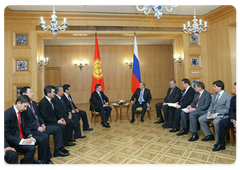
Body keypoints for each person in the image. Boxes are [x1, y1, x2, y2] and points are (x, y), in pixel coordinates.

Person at [20, 86, 69, 160]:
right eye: (30, 92)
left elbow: (39, 116)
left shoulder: (33, 103)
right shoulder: (22, 106)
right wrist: (37, 128)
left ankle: (58, 150)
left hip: (41, 126)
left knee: (57, 129)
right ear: (24, 94)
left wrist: (42, 124)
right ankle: (45, 160)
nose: (32, 93)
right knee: (45, 136)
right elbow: (25, 123)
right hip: (32, 129)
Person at [2, 95, 36, 165]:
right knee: (13, 154)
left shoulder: (22, 112)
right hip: (12, 141)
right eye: (25, 106)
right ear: (18, 103)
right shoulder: (7, 114)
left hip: (20, 139)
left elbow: (24, 126)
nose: (26, 108)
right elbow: (6, 134)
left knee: (32, 148)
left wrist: (30, 136)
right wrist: (22, 141)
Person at [212, 82, 237, 151]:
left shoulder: (229, 96)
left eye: (235, 89)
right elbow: (231, 110)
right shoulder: (234, 99)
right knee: (222, 122)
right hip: (234, 120)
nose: (233, 90)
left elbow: (226, 109)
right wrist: (234, 120)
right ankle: (221, 143)